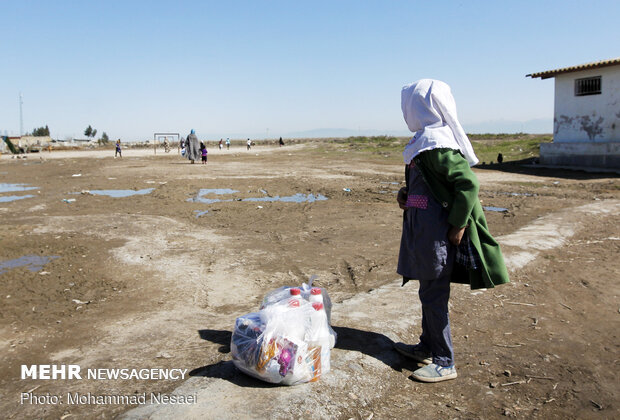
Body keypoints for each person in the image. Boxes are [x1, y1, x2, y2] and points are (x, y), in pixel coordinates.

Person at [394, 79, 509, 383]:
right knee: (428, 292)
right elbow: (429, 187)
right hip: (422, 229)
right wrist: (406, 195)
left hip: (436, 236)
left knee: (434, 295)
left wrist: (458, 224)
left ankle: (444, 361)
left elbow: (468, 185)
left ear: (418, 108)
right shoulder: (424, 143)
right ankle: (426, 346)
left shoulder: (437, 145)